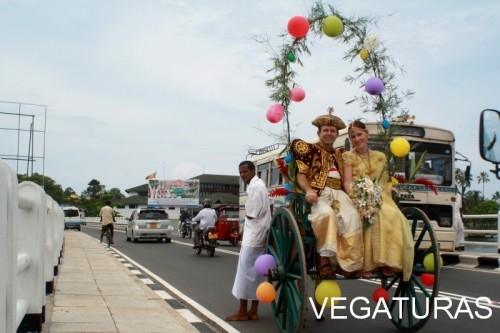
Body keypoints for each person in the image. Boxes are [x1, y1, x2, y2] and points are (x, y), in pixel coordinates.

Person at [290, 107, 364, 279]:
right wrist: (308, 190)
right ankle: (324, 261)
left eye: (332, 131)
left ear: (337, 134)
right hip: (319, 193)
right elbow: (301, 175)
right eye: (326, 130)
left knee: (352, 216)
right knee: (326, 214)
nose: (329, 134)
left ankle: (348, 263)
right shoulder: (309, 150)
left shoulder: (341, 154)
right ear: (319, 132)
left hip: (339, 193)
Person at [342, 120, 414, 281]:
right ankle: (367, 264)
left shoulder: (380, 156)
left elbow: (385, 180)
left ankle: (388, 261)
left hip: (380, 195)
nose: (357, 139)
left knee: (392, 214)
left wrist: (390, 188)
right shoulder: (348, 156)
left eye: (359, 135)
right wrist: (356, 196)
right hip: (358, 196)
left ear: (367, 134)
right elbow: (347, 182)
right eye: (353, 137)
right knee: (371, 213)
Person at [225, 160, 272, 321]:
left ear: (252, 171)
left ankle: (243, 311)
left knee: (245, 273)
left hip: (254, 235)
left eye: (245, 171)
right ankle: (253, 310)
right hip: (259, 233)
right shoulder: (260, 185)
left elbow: (252, 213)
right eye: (240, 172)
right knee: (258, 273)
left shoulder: (254, 186)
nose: (243, 175)